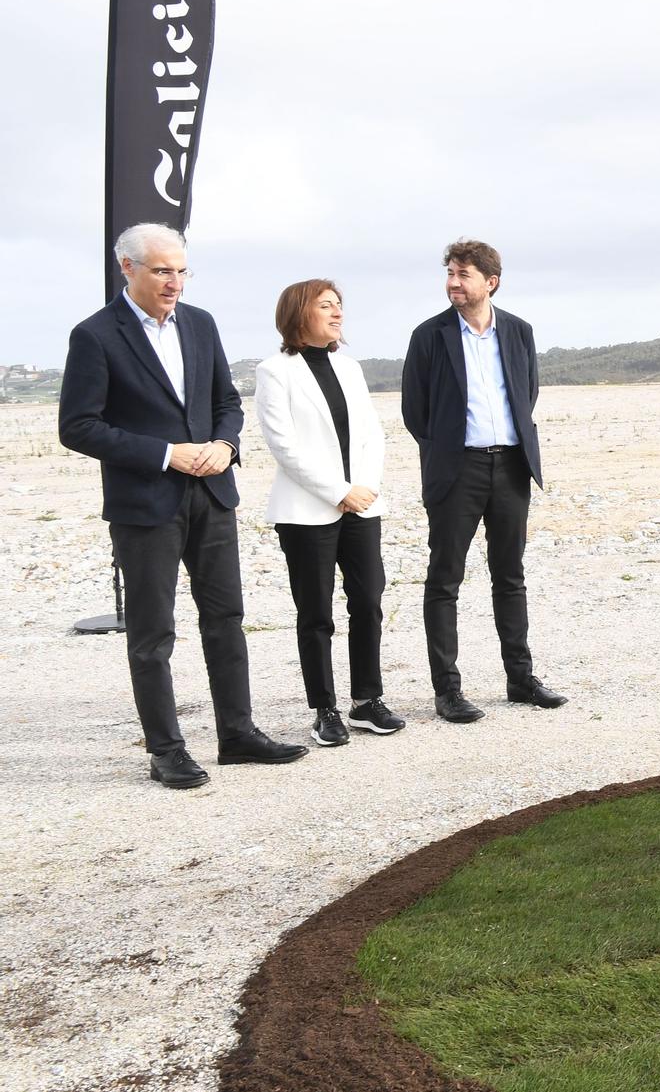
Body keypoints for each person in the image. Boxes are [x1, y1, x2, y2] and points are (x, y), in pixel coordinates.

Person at [58, 223, 307, 789]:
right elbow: (77, 427)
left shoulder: (201, 324)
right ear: (128, 268)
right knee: (153, 632)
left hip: (213, 494)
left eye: (180, 270)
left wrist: (225, 445)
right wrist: (167, 454)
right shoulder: (95, 336)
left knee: (226, 619)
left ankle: (237, 734)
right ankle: (166, 750)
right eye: (161, 270)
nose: (174, 282)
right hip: (145, 503)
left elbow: (226, 401)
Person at [401, 238, 564, 723]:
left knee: (510, 577)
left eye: (463, 274)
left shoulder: (518, 331)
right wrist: (444, 451)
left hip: (511, 465)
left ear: (490, 282)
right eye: (450, 272)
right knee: (445, 579)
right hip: (457, 469)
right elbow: (416, 410)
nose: (453, 282)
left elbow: (526, 392)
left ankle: (521, 678)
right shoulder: (428, 336)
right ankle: (447, 690)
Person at [255, 279, 402, 747]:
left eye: (339, 305)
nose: (337, 313)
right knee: (316, 613)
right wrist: (338, 491)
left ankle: (367, 701)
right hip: (306, 511)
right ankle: (325, 709)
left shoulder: (350, 367)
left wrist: (365, 489)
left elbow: (371, 435)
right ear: (299, 314)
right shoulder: (274, 371)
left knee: (368, 604)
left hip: (362, 504)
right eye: (325, 306)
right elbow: (283, 445)